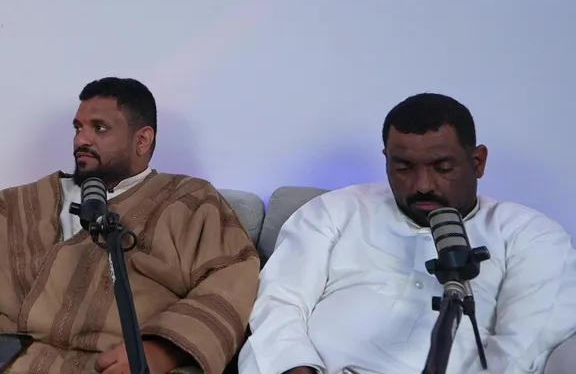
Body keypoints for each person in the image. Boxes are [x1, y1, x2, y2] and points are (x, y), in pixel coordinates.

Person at [0, 77, 260, 374]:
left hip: (114, 363)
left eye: (99, 128)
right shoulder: (34, 198)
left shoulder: (189, 201)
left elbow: (232, 278)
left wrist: (161, 350)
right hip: (10, 362)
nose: (81, 139)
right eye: (78, 128)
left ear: (142, 140)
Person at [238, 92, 576, 374]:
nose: (422, 185)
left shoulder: (529, 233)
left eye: (443, 167)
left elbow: (526, 344)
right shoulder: (334, 211)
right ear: (386, 160)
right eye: (403, 168)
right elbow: (279, 303)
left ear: (477, 162)